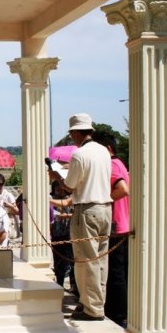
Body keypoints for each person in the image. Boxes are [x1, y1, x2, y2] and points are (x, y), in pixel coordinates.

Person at [49, 114, 112, 321]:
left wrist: (57, 175)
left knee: (86, 260)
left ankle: (91, 307)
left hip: (86, 208)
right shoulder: (103, 151)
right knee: (101, 258)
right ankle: (97, 302)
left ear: (76, 132)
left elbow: (69, 187)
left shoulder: (79, 154)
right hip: (105, 207)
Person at [97, 133, 131, 327]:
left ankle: (117, 313)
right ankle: (120, 309)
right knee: (119, 270)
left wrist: (103, 200)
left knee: (115, 272)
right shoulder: (120, 164)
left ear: (108, 149)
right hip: (122, 223)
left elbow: (122, 190)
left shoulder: (111, 166)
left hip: (116, 224)